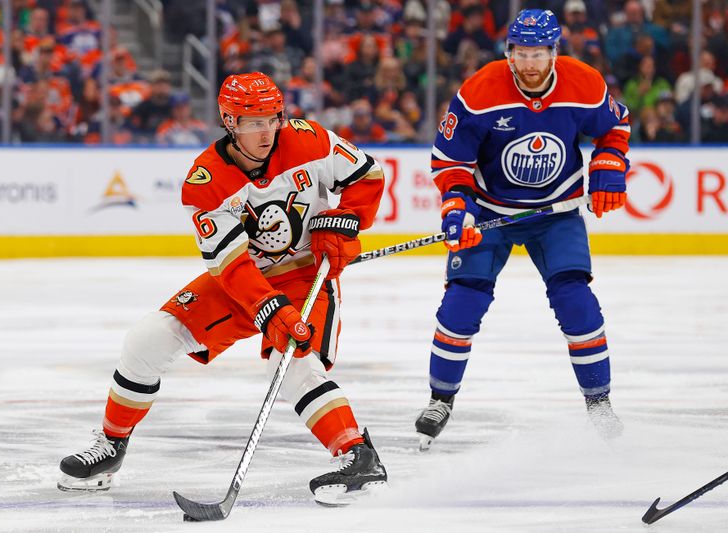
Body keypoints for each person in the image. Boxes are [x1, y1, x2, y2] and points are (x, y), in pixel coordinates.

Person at [58, 72, 388, 505]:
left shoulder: (310, 141)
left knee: (292, 363)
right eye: (253, 123)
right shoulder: (205, 180)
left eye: (272, 118)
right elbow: (230, 265)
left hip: (306, 274)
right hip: (243, 282)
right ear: (230, 122)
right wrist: (272, 310)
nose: (266, 131)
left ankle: (358, 456)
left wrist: (343, 224)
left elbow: (368, 175)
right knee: (148, 339)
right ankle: (111, 445)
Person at [415, 9, 630, 450]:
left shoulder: (584, 84)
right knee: (461, 302)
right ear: (508, 53)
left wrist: (609, 166)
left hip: (555, 214)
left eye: (538, 53)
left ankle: (599, 403)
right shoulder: (480, 91)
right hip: (491, 212)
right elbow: (450, 160)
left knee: (577, 302)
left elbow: (614, 127)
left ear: (554, 53)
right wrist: (459, 208)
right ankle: (441, 399)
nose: (529, 63)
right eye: (521, 53)